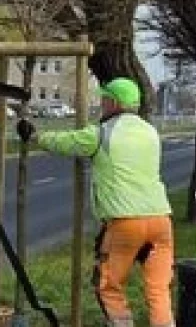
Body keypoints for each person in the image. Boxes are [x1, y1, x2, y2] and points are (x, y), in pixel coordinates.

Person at [17, 77, 175, 327]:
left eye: (104, 99)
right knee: (158, 289)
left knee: (109, 287)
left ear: (113, 102)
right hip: (161, 221)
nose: (101, 104)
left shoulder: (103, 133)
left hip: (125, 222)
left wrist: (35, 136)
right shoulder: (151, 132)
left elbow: (67, 142)